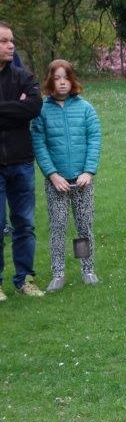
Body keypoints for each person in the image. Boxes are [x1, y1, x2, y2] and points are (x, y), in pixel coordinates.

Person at [30, 60, 101, 291]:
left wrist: (88, 171)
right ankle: (58, 273)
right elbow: (39, 144)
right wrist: (52, 175)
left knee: (84, 225)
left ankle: (88, 269)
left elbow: (94, 140)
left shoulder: (86, 109)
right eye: (57, 78)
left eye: (66, 78)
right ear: (50, 82)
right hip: (57, 183)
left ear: (73, 80)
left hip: (82, 181)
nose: (62, 82)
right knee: (58, 227)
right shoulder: (41, 111)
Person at [0, 21, 44, 300]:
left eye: (11, 40)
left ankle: (24, 278)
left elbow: (34, 107)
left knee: (24, 224)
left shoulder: (23, 77)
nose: (11, 45)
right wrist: (16, 107)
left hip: (21, 162)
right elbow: (22, 109)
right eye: (4, 41)